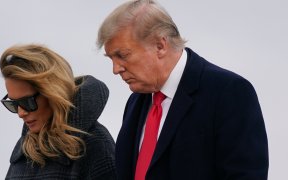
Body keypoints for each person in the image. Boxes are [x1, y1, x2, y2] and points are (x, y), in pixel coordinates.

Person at [96, 0, 268, 180]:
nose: (115, 69)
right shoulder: (136, 101)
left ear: (160, 45)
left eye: (122, 55)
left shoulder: (229, 92)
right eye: (111, 59)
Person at [0, 44, 116, 179]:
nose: (21, 113)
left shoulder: (96, 143)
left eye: (27, 102)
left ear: (52, 93)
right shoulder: (24, 150)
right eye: (14, 104)